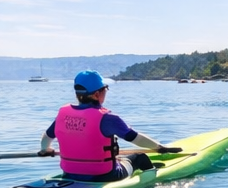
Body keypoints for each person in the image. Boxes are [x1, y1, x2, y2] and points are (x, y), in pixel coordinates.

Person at [39, 70, 171, 181]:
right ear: (97, 94)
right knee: (140, 158)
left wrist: (46, 149)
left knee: (118, 158)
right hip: (105, 176)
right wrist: (159, 147)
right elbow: (135, 138)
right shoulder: (107, 118)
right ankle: (152, 180)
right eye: (105, 89)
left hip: (70, 174)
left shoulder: (63, 115)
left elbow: (46, 137)